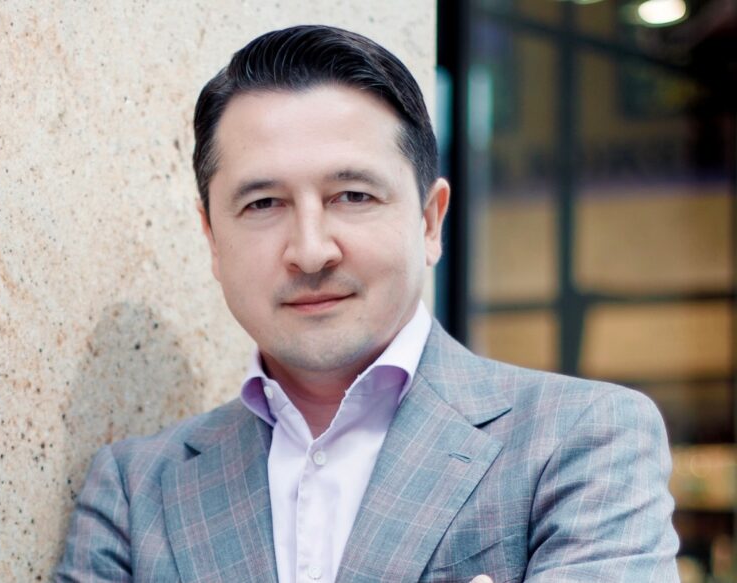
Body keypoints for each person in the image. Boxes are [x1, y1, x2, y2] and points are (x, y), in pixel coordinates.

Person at [55, 25, 680, 582]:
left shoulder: (582, 441)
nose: (310, 251)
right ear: (212, 238)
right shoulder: (135, 492)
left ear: (430, 222)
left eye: (352, 196)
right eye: (263, 204)